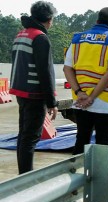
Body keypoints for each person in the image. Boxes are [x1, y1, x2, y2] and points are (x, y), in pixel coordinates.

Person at [63, 7, 108, 155]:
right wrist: (91, 97)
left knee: (81, 142)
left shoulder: (77, 39)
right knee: (103, 146)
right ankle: (100, 178)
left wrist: (80, 93)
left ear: (97, 21)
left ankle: (76, 175)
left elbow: (67, 69)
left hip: (80, 101)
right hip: (105, 102)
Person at [9, 1, 58, 174]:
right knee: (30, 137)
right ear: (49, 19)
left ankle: (24, 172)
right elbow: (45, 72)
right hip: (34, 94)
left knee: (24, 135)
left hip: (21, 91)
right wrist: (52, 102)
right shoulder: (40, 38)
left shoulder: (22, 34)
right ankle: (26, 176)